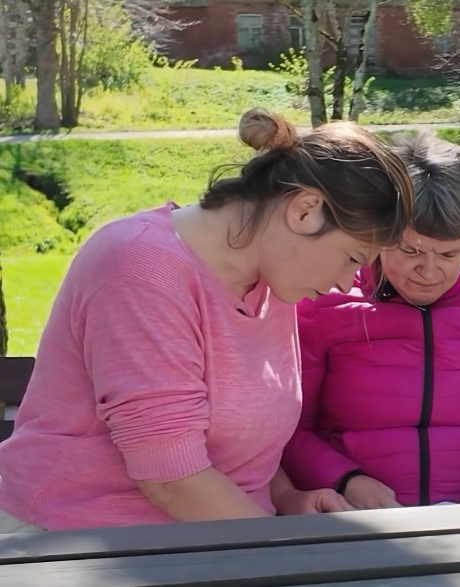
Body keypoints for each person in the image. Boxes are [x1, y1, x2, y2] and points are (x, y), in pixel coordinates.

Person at [0, 108, 414, 531]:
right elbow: (170, 478)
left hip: (210, 541)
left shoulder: (270, 281)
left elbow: (238, 445)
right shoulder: (141, 268)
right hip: (74, 544)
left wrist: (287, 497)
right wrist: (282, 555)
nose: (348, 284)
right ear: (306, 211)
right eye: (352, 259)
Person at [282, 132, 460, 508]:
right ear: (380, 233)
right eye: (409, 250)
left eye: (449, 254)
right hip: (358, 519)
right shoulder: (326, 301)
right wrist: (345, 481)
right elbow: (288, 427)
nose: (428, 271)